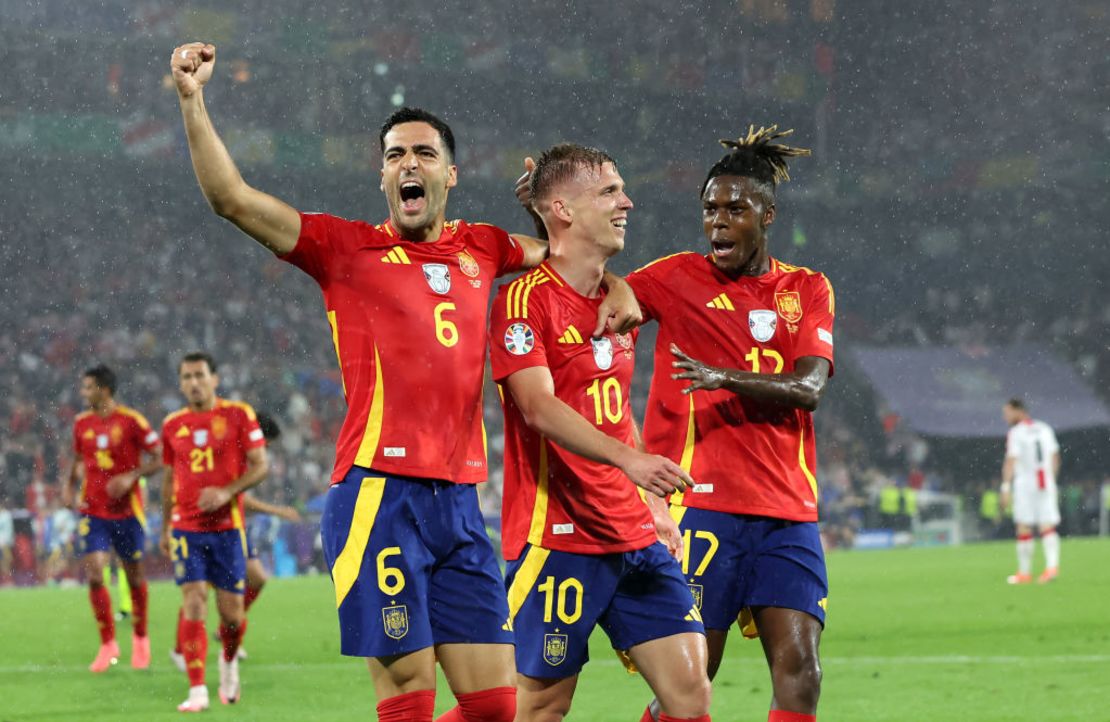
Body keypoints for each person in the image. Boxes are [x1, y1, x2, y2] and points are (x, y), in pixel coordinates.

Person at [170, 41, 637, 722]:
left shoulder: (485, 246)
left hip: (459, 504)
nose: (408, 164)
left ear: (451, 173)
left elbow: (570, 259)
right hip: (378, 497)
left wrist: (618, 280)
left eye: (422, 154)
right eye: (395, 155)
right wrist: (191, 98)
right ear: (382, 178)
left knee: (495, 706)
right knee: (410, 704)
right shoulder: (345, 249)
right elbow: (231, 199)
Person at [490, 144, 710, 722]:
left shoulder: (618, 303)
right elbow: (537, 406)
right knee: (541, 707)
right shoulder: (521, 300)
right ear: (562, 208)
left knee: (689, 697)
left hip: (634, 533)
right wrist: (631, 463)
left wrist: (650, 499)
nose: (627, 201)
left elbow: (614, 413)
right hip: (556, 536)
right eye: (609, 191)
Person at [624, 127, 832, 722]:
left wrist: (723, 376)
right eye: (710, 209)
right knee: (691, 680)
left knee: (802, 673)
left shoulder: (807, 288)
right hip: (702, 506)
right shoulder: (673, 278)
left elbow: (809, 388)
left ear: (767, 214)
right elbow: (597, 301)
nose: (718, 222)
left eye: (735, 209)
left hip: (788, 512)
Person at [160, 352, 269, 711]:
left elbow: (260, 466)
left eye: (200, 375)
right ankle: (196, 691)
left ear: (215, 378)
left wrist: (227, 491)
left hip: (227, 529)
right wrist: (164, 525)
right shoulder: (172, 424)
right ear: (180, 384)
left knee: (232, 616)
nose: (194, 382)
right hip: (186, 529)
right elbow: (168, 477)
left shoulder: (238, 415)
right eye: (187, 377)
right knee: (193, 601)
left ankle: (228, 659)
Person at [63, 365, 161, 672]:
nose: (83, 392)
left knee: (133, 577)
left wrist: (131, 476)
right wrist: (69, 488)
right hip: (93, 510)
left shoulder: (132, 422)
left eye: (88, 387)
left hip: (127, 511)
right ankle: (108, 644)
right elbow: (79, 460)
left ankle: (141, 638)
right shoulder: (82, 424)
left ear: (104, 389)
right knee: (94, 575)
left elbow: (161, 457)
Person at [1000, 398, 1061, 584]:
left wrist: (1005, 487)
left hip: (1026, 482)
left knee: (1024, 526)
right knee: (1047, 526)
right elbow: (1055, 456)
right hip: (1046, 479)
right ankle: (1051, 568)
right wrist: (1051, 480)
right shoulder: (1044, 428)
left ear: (1018, 411)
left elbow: (1011, 460)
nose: (1005, 417)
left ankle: (1024, 573)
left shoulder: (1016, 433)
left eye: (1007, 412)